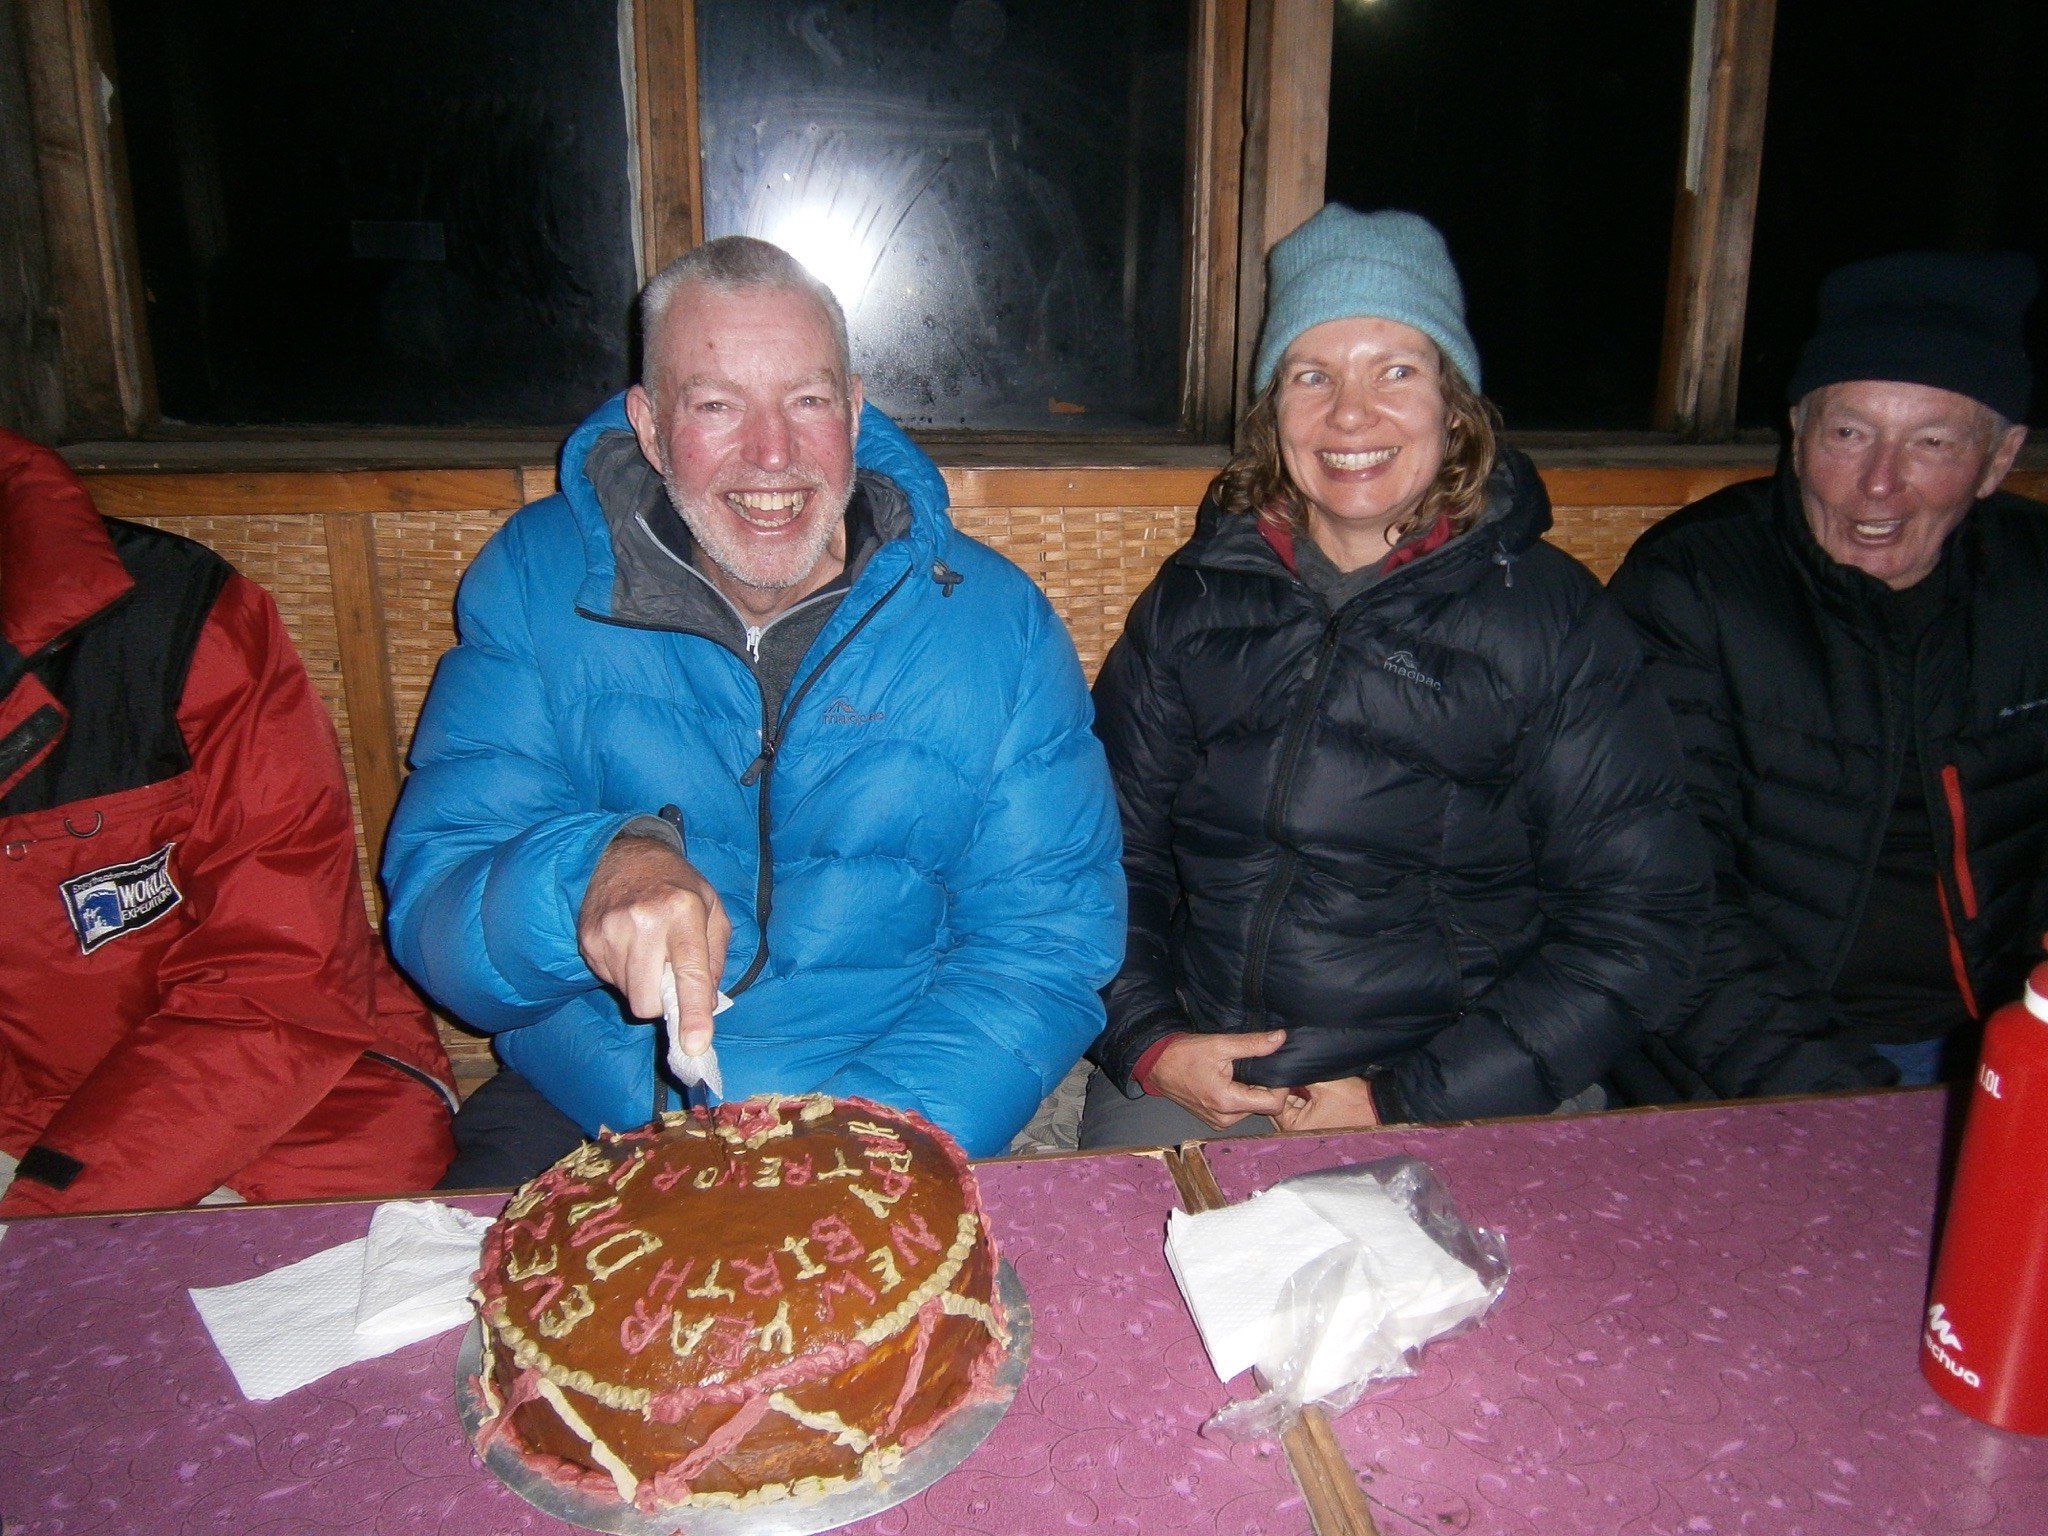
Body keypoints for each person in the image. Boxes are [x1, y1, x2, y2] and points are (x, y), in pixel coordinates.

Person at [383, 236, 1122, 1180]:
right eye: (718, 405)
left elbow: (1046, 947)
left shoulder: (992, 621)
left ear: (854, 413)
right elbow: (441, 924)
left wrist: (861, 1149)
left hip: (903, 1108)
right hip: (604, 1113)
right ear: (650, 428)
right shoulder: (536, 581)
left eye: (808, 401)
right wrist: (588, 878)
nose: (772, 454)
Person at [1082, 205, 1710, 1147]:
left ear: (1453, 406)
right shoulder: (1197, 597)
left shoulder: (1551, 620)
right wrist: (1149, 1038)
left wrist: (1401, 1098)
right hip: (1204, 1068)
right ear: (1272, 410)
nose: (1350, 415)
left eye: (1397, 372)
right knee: (1136, 1279)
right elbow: (1095, 850)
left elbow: (1643, 921)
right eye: (1313, 375)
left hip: (1459, 1082)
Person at [1606, 252, 2046, 1101]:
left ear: (1998, 460)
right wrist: (1852, 1101)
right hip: (1754, 1064)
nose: (1878, 483)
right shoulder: (1697, 587)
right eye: (1848, 433)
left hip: (2006, 1039)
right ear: (1799, 433)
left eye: (1932, 442)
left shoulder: (2034, 584)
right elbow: (1672, 900)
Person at [0, 430, 456, 1217]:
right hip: (27, 1127)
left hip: (245, 1090)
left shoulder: (177, 626)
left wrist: (47, 1222)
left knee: (377, 1157)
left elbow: (281, 971)